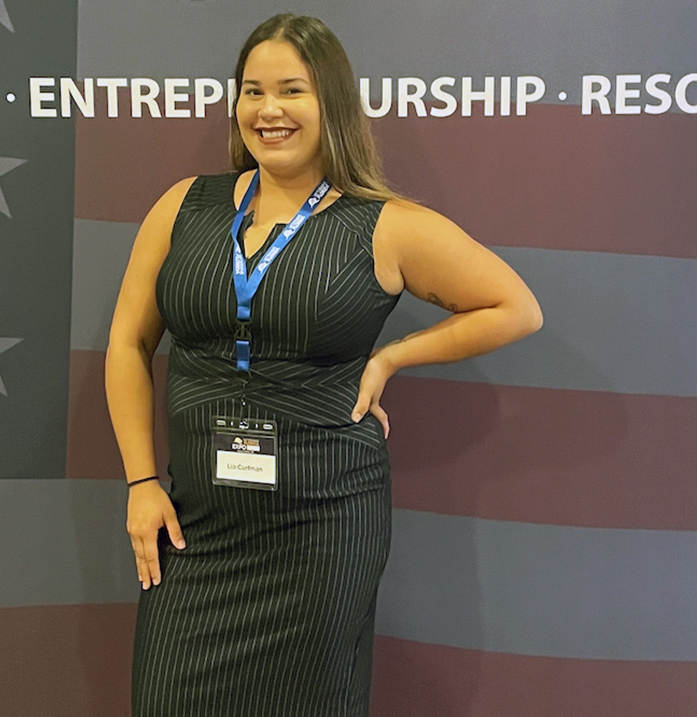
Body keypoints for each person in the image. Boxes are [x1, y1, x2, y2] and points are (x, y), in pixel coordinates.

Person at [105, 12, 542, 717]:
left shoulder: (384, 222)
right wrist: (140, 480)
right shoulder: (182, 207)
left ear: (331, 103)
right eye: (252, 91)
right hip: (196, 525)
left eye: (291, 91)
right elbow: (128, 343)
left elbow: (514, 306)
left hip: (323, 530)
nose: (268, 110)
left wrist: (395, 355)